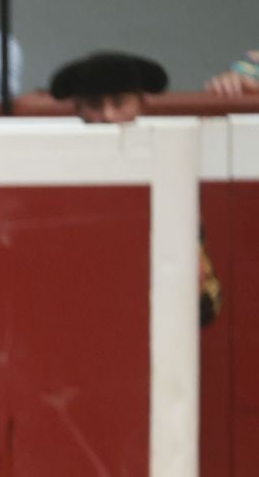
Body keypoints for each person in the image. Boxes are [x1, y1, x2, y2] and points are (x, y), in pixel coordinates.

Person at [49, 52, 222, 327]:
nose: (107, 116)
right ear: (78, 109)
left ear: (141, 105)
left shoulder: (170, 173)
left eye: (118, 103)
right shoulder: (55, 174)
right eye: (95, 105)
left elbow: (207, 304)